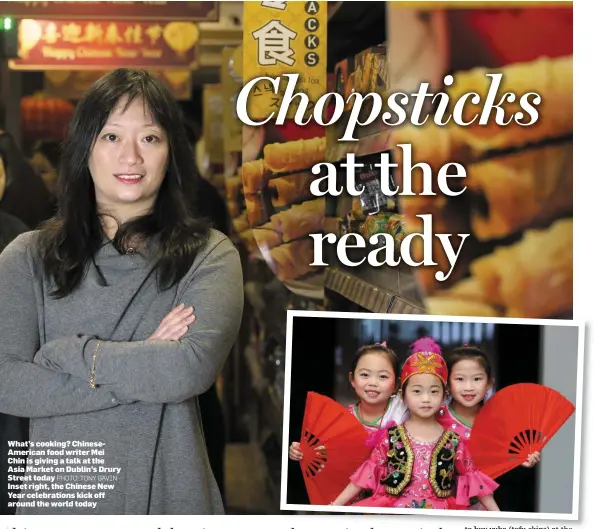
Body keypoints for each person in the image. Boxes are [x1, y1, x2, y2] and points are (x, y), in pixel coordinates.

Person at [0, 69, 243, 515]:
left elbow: (187, 370)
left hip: (172, 497)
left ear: (171, 153)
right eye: (111, 137)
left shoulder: (209, 255)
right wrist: (145, 360)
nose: (130, 156)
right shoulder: (27, 258)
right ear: (83, 149)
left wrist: (76, 354)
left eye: (150, 138)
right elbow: (7, 382)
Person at [329, 337, 500, 511]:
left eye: (434, 392)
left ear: (444, 396)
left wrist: (498, 514)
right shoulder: (390, 437)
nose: (425, 399)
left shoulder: (454, 441)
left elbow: (472, 477)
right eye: (417, 391)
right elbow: (366, 473)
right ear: (403, 395)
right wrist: (335, 505)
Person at [439, 344, 540, 509]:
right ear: (447, 384)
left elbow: (503, 454)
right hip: (440, 501)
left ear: (489, 383)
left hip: (481, 504)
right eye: (460, 379)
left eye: (477, 379)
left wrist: (524, 458)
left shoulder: (496, 420)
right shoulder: (436, 417)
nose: (469, 387)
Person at [289, 342, 407, 463]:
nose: (373, 382)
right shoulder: (341, 419)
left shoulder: (402, 409)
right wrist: (301, 451)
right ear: (352, 379)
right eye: (365, 374)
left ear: (396, 384)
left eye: (382, 376)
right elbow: (326, 452)